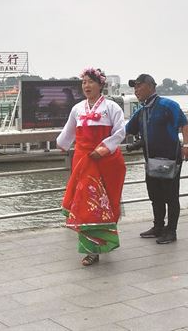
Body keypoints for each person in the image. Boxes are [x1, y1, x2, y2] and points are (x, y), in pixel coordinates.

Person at [57, 67, 126, 266]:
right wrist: (61, 144)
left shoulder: (112, 107)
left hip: (105, 160)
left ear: (100, 85)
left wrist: (103, 149)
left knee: (106, 205)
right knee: (88, 205)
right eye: (84, 82)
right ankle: (91, 251)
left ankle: (103, 241)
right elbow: (68, 132)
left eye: (90, 82)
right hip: (84, 161)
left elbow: (120, 132)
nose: (86, 86)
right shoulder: (77, 109)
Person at [126, 74, 188, 244]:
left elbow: (184, 124)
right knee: (155, 195)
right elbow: (126, 130)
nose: (136, 90)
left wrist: (187, 146)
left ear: (150, 86)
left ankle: (171, 231)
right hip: (151, 160)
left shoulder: (167, 105)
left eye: (139, 86)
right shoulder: (141, 111)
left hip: (170, 158)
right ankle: (158, 227)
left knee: (171, 195)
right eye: (135, 87)